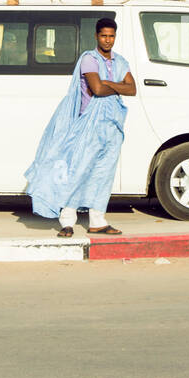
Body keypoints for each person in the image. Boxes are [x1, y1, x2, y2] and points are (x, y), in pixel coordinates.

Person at [24, 18, 136, 236]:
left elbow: (132, 89)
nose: (108, 40)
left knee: (103, 173)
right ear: (96, 36)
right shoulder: (89, 59)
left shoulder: (120, 61)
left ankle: (97, 220)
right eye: (103, 35)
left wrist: (109, 84)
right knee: (78, 172)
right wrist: (117, 85)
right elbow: (96, 89)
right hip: (88, 126)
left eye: (111, 36)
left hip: (112, 126)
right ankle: (67, 220)